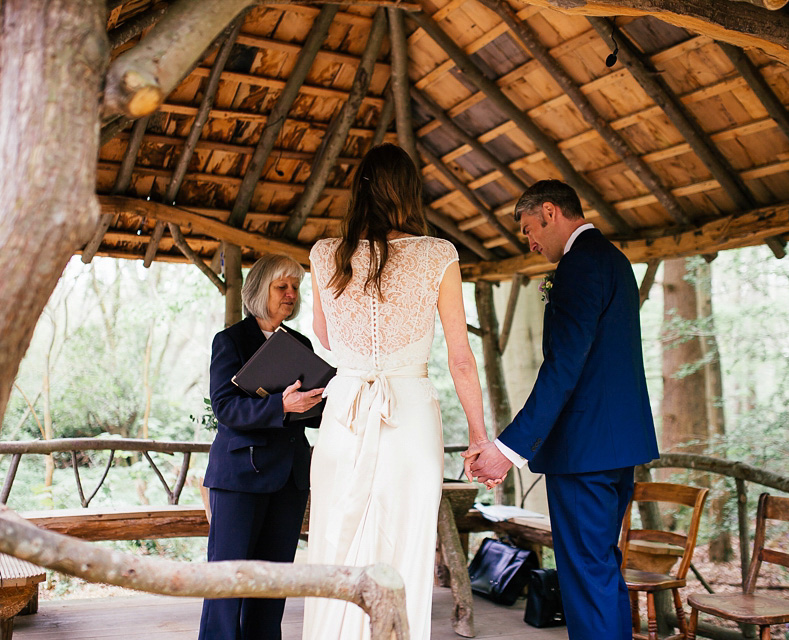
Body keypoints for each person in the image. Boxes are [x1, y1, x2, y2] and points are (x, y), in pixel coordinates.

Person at [302, 143, 489, 640]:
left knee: (336, 541)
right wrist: (479, 436)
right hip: (409, 414)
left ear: (358, 191)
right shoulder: (438, 254)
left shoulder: (324, 254)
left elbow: (323, 336)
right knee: (403, 548)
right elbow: (461, 358)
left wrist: (361, 359)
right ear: (409, 192)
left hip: (344, 409)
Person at [465, 180, 659, 639]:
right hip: (618, 449)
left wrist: (508, 449)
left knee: (585, 576)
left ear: (551, 213)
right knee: (600, 568)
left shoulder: (578, 265)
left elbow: (564, 368)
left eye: (531, 229)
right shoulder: (614, 259)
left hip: (583, 452)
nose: (530, 242)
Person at [198, 254, 325, 640]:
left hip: (288, 477)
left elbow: (313, 413)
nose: (291, 294)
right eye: (281, 286)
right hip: (240, 475)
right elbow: (225, 408)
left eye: (296, 287)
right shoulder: (231, 341)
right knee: (228, 580)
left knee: (273, 582)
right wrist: (280, 405)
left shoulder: (299, 344)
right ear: (259, 290)